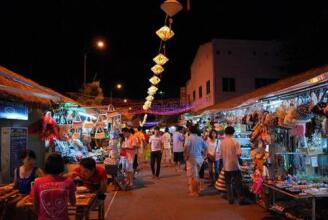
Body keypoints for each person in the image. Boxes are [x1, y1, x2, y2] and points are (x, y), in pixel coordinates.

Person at [30, 153, 76, 220]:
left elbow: (35, 207)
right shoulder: (69, 182)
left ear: (47, 166)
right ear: (61, 166)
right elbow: (73, 203)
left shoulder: (38, 182)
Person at [220, 126, 245, 205]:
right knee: (238, 183)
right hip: (234, 165)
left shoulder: (222, 142)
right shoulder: (235, 141)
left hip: (226, 165)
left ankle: (230, 199)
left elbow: (221, 153)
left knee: (228, 183)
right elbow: (239, 154)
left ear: (225, 132)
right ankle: (241, 199)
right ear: (233, 132)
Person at [184, 126, 207, 197]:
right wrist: (204, 156)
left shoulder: (189, 138)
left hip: (192, 158)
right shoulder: (200, 138)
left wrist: (186, 156)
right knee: (197, 175)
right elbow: (206, 148)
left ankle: (194, 192)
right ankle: (198, 189)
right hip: (199, 158)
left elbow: (186, 148)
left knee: (192, 176)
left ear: (190, 131)